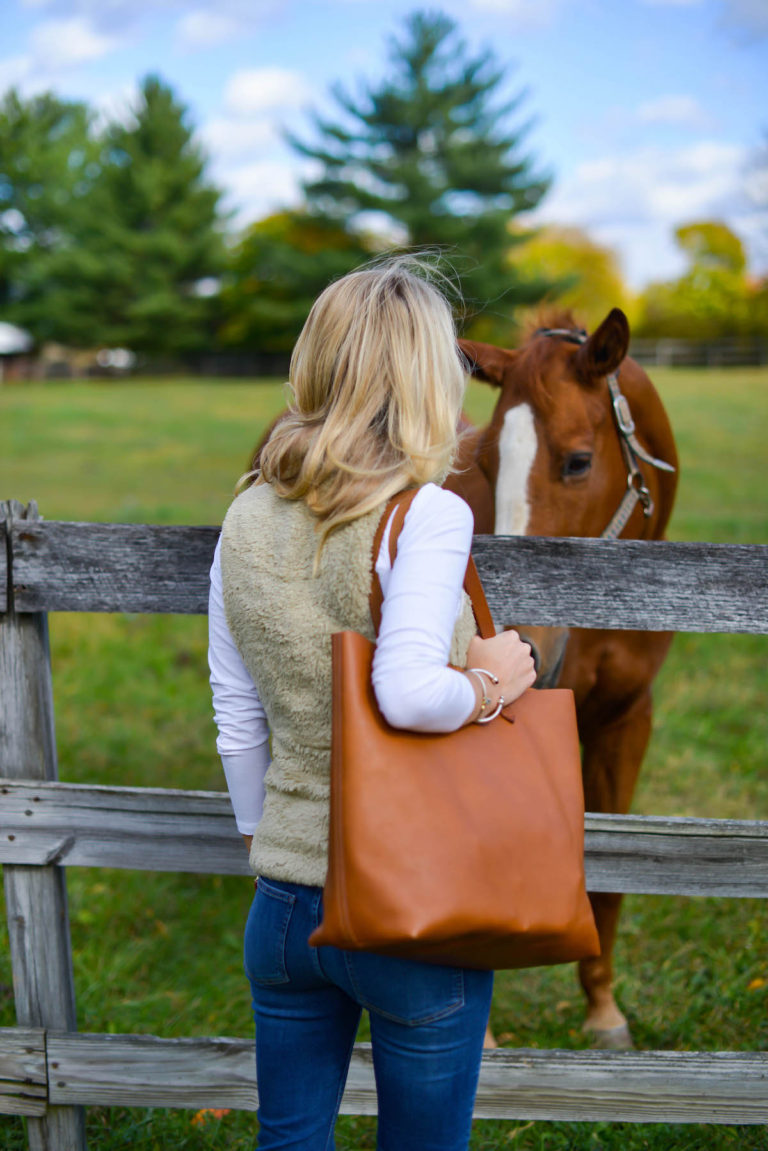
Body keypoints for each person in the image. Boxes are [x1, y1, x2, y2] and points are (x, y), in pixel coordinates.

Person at [208, 258, 536, 1151]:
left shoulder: (244, 515)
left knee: (289, 1141)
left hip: (281, 909)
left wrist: (267, 840)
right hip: (411, 910)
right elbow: (407, 692)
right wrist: (498, 677)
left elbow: (235, 711)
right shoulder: (423, 514)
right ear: (429, 376)